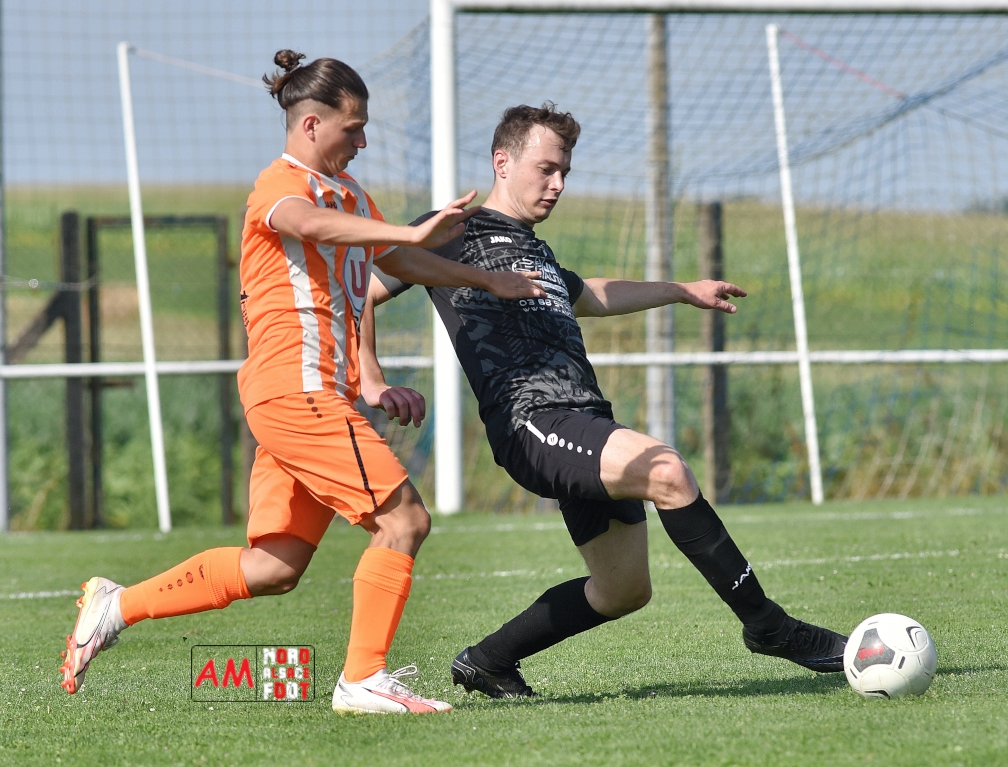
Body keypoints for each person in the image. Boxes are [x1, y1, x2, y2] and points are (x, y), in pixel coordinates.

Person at [58, 51, 543, 715]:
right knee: (404, 519)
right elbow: (308, 224)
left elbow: (395, 263)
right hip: (296, 394)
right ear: (311, 124)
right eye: (354, 128)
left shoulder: (352, 197)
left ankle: (115, 605)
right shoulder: (277, 186)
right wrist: (406, 232)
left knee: (275, 565)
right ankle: (363, 679)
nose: (363, 141)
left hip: (312, 398)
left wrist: (484, 281)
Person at [360, 102, 847, 699]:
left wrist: (681, 290)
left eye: (565, 172)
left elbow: (589, 294)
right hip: (530, 421)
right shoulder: (451, 231)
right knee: (666, 470)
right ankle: (770, 627)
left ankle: (487, 662)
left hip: (584, 418)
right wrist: (371, 377)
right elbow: (360, 287)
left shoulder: (534, 251)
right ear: (502, 162)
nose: (558, 184)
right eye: (546, 169)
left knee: (622, 590)